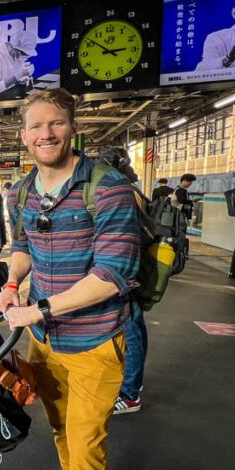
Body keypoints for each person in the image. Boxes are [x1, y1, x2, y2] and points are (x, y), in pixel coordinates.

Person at [0, 88, 140, 470]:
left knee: (87, 453)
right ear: (23, 136)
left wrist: (40, 309)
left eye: (55, 124)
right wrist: (13, 284)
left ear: (72, 127)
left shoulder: (108, 188)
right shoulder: (22, 192)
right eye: (35, 126)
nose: (45, 134)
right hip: (45, 347)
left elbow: (113, 275)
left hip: (96, 344)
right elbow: (24, 248)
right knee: (60, 437)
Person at [98, 147, 150, 417]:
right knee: (136, 328)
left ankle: (129, 394)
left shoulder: (122, 192)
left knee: (130, 330)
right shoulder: (133, 190)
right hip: (135, 271)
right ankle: (133, 385)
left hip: (126, 274)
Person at [0, 29, 38, 100]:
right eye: (24, 54)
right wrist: (17, 76)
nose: (25, 58)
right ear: (15, 48)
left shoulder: (17, 56)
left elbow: (9, 80)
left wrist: (21, 79)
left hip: (6, 94)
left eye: (28, 55)